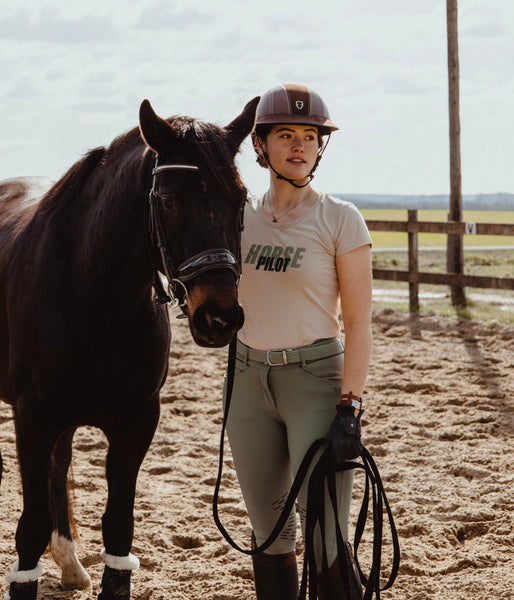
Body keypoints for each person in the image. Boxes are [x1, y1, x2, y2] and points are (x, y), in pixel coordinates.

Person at [225, 84, 373, 600]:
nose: (299, 146)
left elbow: (358, 323)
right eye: (285, 135)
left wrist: (350, 407)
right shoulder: (236, 216)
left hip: (315, 380)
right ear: (260, 146)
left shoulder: (340, 219)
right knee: (267, 533)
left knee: (326, 535)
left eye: (309, 137)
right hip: (247, 382)